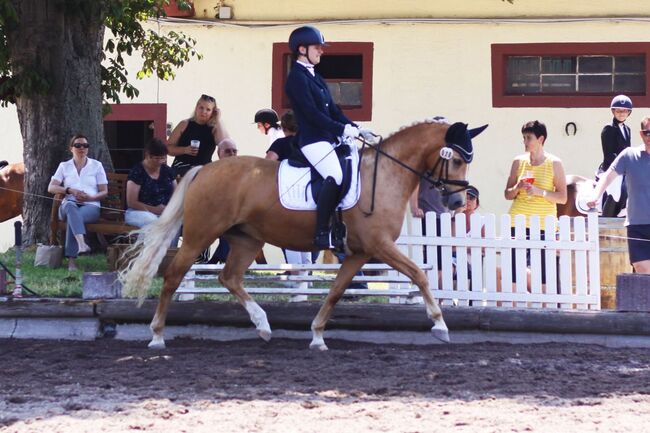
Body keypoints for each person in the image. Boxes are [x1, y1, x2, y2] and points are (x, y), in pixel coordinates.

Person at [284, 25, 374, 249]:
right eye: (317, 47)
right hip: (313, 140)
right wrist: (341, 130)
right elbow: (312, 114)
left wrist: (356, 127)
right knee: (334, 175)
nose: (321, 51)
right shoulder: (296, 78)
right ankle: (322, 231)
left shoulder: (316, 77)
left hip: (328, 139)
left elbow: (333, 111)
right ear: (302, 49)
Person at [504, 120, 567, 286]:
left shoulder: (554, 163)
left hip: (543, 225)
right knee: (515, 273)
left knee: (545, 274)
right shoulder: (518, 161)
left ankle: (547, 309)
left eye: (528, 138)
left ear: (541, 139)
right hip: (517, 221)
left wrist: (540, 192)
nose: (525, 142)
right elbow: (507, 195)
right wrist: (517, 187)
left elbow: (562, 197)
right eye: (523, 138)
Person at [588, 116, 650, 274]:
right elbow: (608, 176)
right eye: (647, 132)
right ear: (641, 134)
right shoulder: (629, 155)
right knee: (643, 271)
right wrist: (595, 195)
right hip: (637, 225)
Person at [264, 110, 313, 301]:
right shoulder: (308, 142)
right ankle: (306, 281)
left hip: (286, 194)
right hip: (309, 194)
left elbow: (267, 163)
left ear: (283, 128)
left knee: (290, 236)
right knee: (306, 238)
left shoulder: (280, 143)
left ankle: (297, 282)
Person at [48, 134, 108, 271]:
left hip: (90, 206)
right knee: (69, 206)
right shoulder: (64, 166)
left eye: (85, 146)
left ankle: (72, 261)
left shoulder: (96, 166)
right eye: (78, 145)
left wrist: (90, 198)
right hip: (68, 204)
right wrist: (70, 190)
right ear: (71, 148)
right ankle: (81, 243)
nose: (82, 148)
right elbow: (51, 187)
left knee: (73, 217)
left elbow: (104, 192)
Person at [125, 138, 178, 245]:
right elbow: (131, 202)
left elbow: (176, 194)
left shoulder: (167, 171)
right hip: (138, 212)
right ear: (148, 155)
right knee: (152, 221)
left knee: (173, 224)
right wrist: (154, 210)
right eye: (157, 158)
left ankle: (169, 255)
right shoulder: (137, 171)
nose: (160, 162)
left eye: (163, 158)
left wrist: (170, 209)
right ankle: (146, 254)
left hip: (165, 212)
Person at [167, 94, 229, 177]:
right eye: (201, 108)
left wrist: (218, 119)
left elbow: (225, 144)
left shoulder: (214, 129)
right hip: (181, 167)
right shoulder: (184, 124)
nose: (204, 112)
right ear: (196, 107)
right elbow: (168, 149)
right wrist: (185, 150)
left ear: (212, 112)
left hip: (204, 169)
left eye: (208, 109)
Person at [599, 94, 633, 217]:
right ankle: (606, 216)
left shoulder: (627, 129)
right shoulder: (608, 128)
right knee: (616, 188)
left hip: (624, 167)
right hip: (612, 168)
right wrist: (623, 166)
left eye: (624, 111)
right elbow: (609, 154)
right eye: (618, 111)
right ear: (613, 111)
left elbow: (627, 150)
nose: (621, 113)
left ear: (629, 112)